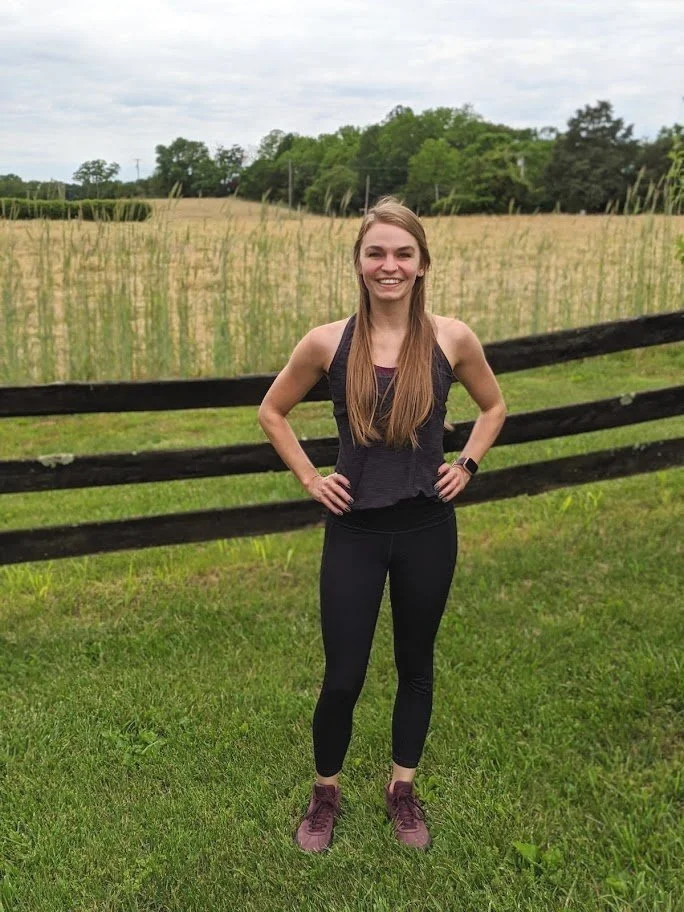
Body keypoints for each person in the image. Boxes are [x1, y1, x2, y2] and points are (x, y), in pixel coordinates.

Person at [257, 196, 506, 852]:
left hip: (428, 529)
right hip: (356, 532)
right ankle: (325, 793)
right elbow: (271, 411)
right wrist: (311, 478)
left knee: (415, 665)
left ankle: (402, 789)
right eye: (376, 253)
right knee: (343, 674)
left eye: (402, 253)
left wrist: (468, 464)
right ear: (359, 262)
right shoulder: (326, 342)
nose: (389, 265)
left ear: (422, 264)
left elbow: (494, 406)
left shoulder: (452, 338)